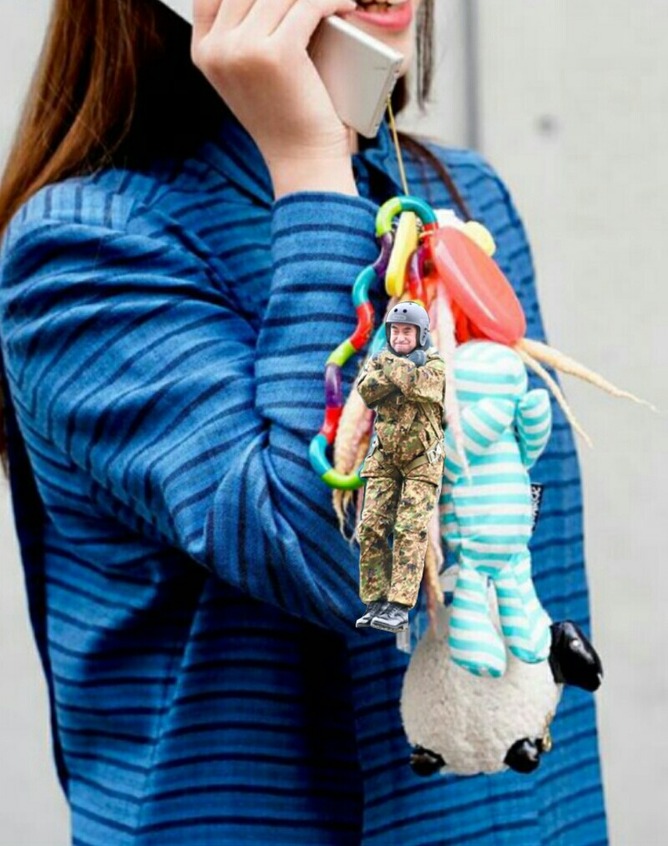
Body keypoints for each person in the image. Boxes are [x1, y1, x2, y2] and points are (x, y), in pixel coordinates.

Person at [0, 0, 608, 843]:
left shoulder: (461, 200)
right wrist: (311, 164)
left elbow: (515, 566)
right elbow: (356, 569)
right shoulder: (86, 249)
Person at [355, 302, 445, 633]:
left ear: (421, 334)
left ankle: (399, 606)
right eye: (394, 331)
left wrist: (390, 367)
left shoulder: (435, 365)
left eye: (407, 331)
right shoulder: (379, 360)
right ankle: (375, 600)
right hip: (385, 457)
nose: (400, 337)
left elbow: (417, 385)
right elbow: (367, 390)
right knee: (371, 526)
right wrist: (398, 370)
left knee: (409, 528)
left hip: (422, 460)